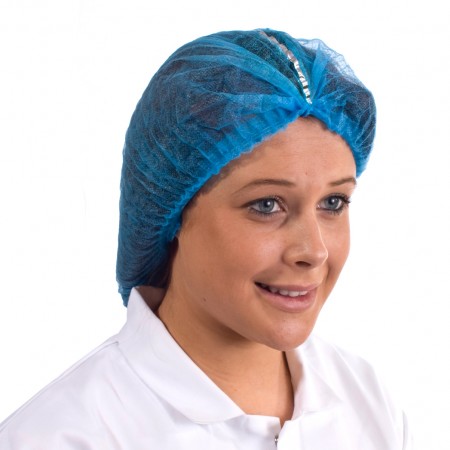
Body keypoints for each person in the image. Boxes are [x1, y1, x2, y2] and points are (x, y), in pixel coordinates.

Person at [0, 28, 412, 449]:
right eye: (267, 205)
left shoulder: (367, 402)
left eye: (334, 202)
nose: (314, 251)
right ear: (170, 211)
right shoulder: (62, 437)